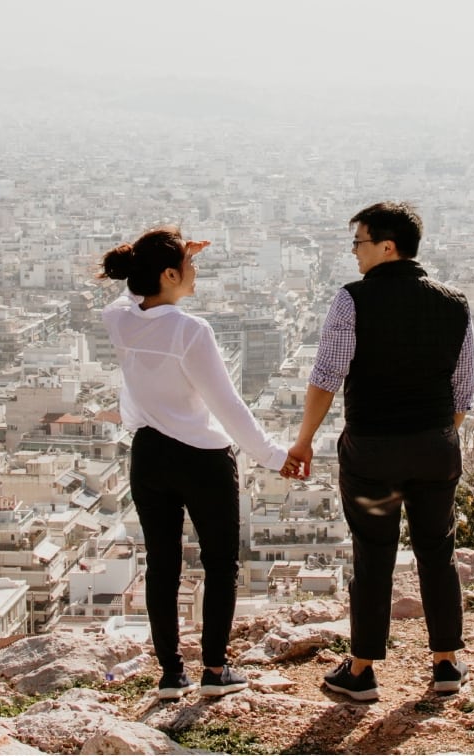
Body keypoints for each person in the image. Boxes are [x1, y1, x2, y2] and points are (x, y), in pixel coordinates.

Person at [284, 201, 474, 702]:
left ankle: (362, 669)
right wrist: (433, 434)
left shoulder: (352, 300)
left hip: (372, 454)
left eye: (359, 243)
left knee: (374, 555)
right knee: (438, 551)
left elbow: (326, 377)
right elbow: (463, 391)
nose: (354, 254)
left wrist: (303, 440)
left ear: (387, 246)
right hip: (436, 449)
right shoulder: (454, 302)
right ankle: (446, 665)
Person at [100, 226, 298, 700]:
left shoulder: (119, 322)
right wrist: (273, 456)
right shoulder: (192, 331)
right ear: (169, 274)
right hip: (202, 458)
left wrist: (169, 256)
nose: (196, 272)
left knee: (162, 565)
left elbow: (127, 299)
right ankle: (214, 669)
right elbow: (228, 406)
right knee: (219, 564)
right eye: (189, 266)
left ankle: (171, 674)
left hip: (149, 454)